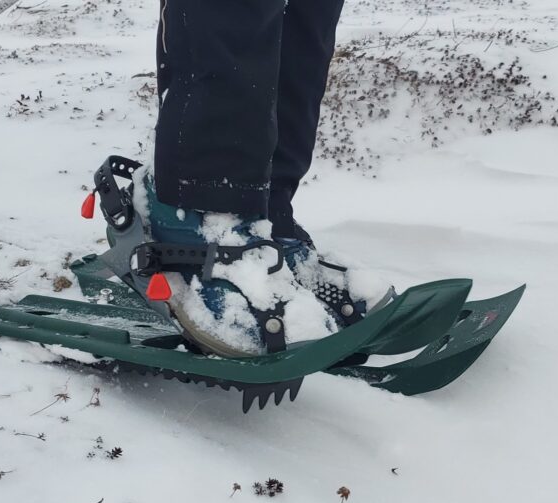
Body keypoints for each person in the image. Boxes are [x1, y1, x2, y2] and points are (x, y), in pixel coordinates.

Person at [124, 0, 386, 357]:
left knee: (307, 23)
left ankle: (266, 214)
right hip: (194, 188)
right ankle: (200, 206)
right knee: (234, 14)